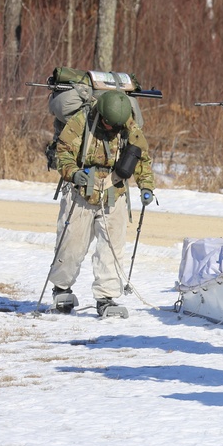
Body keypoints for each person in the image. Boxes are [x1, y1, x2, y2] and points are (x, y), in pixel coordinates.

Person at [49, 89, 154, 317]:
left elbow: (141, 155)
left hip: (113, 191)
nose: (114, 130)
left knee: (112, 248)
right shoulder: (81, 121)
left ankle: (106, 298)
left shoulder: (127, 124)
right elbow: (63, 152)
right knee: (71, 245)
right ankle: (61, 289)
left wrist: (146, 186)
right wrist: (73, 173)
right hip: (81, 191)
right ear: (101, 116)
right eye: (109, 125)